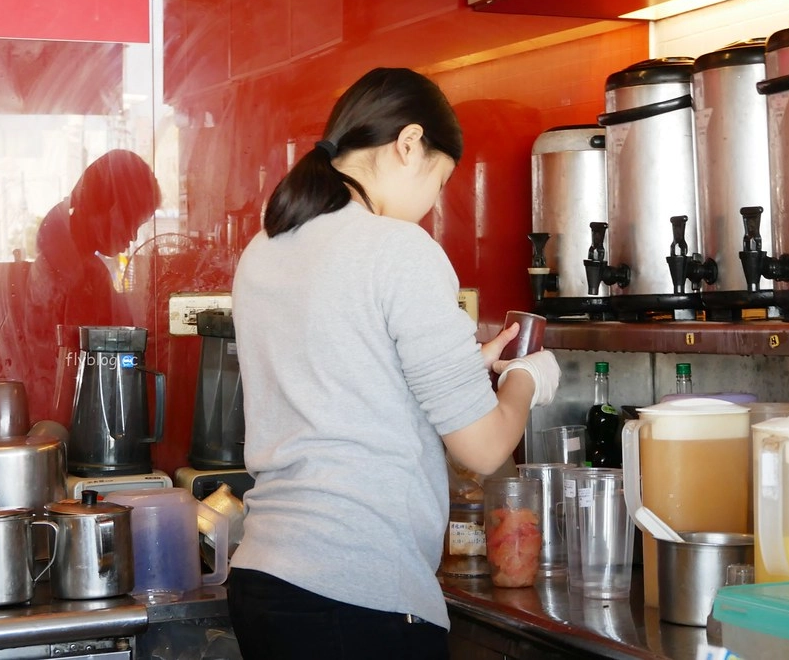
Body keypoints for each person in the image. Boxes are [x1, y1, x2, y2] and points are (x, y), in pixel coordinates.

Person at [227, 67, 561, 659]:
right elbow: (483, 449)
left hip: (265, 581)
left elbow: (342, 378)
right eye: (440, 179)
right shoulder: (399, 250)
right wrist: (526, 380)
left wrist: (457, 371)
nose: (435, 202)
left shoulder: (267, 246)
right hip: (360, 593)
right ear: (410, 144)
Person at [19, 149, 160, 423]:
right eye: (131, 222)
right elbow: (81, 363)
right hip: (70, 421)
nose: (132, 237)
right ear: (104, 207)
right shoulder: (65, 273)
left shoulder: (86, 267)